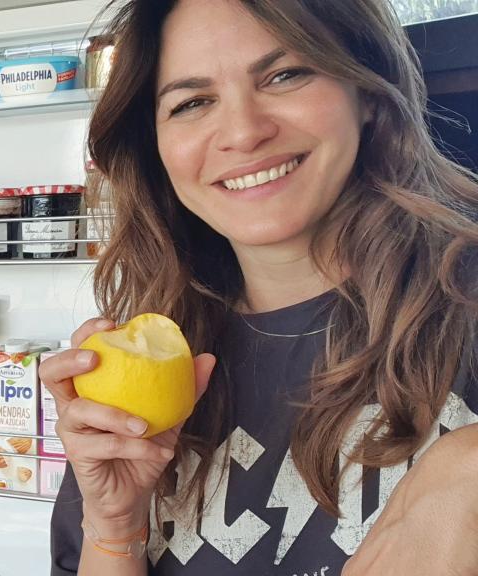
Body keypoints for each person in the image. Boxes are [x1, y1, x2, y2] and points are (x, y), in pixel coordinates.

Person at [40, 0, 478, 574]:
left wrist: (465, 468)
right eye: (192, 102)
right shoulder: (148, 369)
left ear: (367, 91)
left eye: (285, 75)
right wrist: (114, 527)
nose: (244, 132)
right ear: (157, 148)